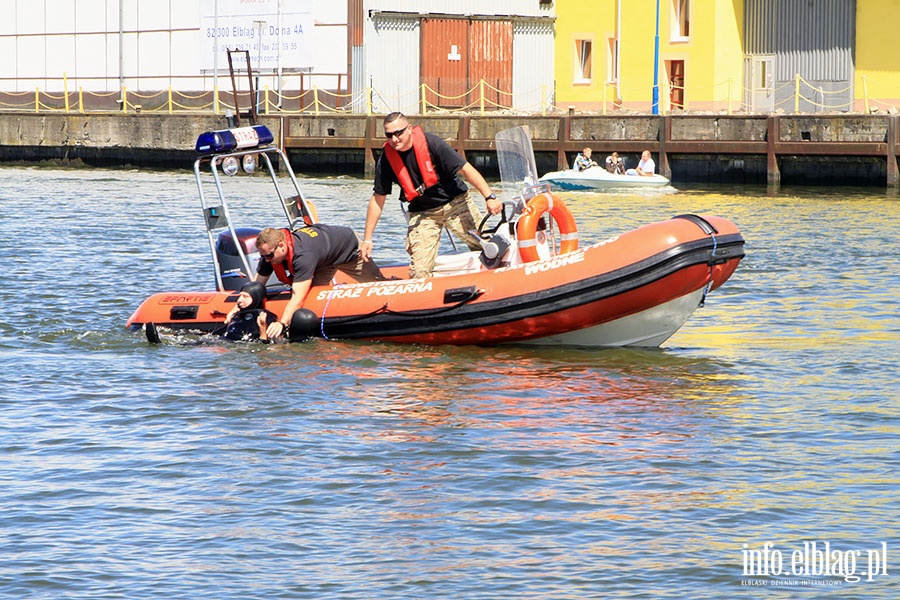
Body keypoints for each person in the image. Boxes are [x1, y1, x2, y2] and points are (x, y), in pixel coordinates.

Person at [361, 112, 502, 279]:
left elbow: (465, 169)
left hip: (455, 203)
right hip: (424, 213)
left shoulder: (432, 143)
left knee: (489, 248)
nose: (394, 139)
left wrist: (489, 197)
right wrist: (367, 239)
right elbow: (378, 200)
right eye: (389, 135)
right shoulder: (386, 160)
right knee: (419, 272)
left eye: (398, 133)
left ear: (409, 129)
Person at [254, 225, 384, 339]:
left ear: (281, 246)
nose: (266, 260)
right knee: (314, 300)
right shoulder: (269, 255)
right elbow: (255, 288)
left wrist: (281, 323)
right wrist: (236, 310)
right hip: (322, 262)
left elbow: (297, 297)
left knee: (378, 286)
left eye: (269, 256)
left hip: (348, 251)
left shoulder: (303, 256)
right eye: (263, 256)